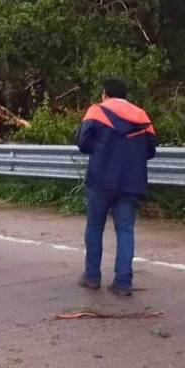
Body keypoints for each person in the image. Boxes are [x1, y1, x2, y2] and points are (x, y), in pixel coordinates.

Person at [75, 78, 157, 297]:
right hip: (131, 182)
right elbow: (150, 151)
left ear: (105, 93)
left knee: (95, 226)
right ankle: (123, 282)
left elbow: (83, 143)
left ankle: (92, 276)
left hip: (100, 180)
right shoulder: (141, 115)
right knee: (125, 231)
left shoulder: (97, 111)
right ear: (125, 95)